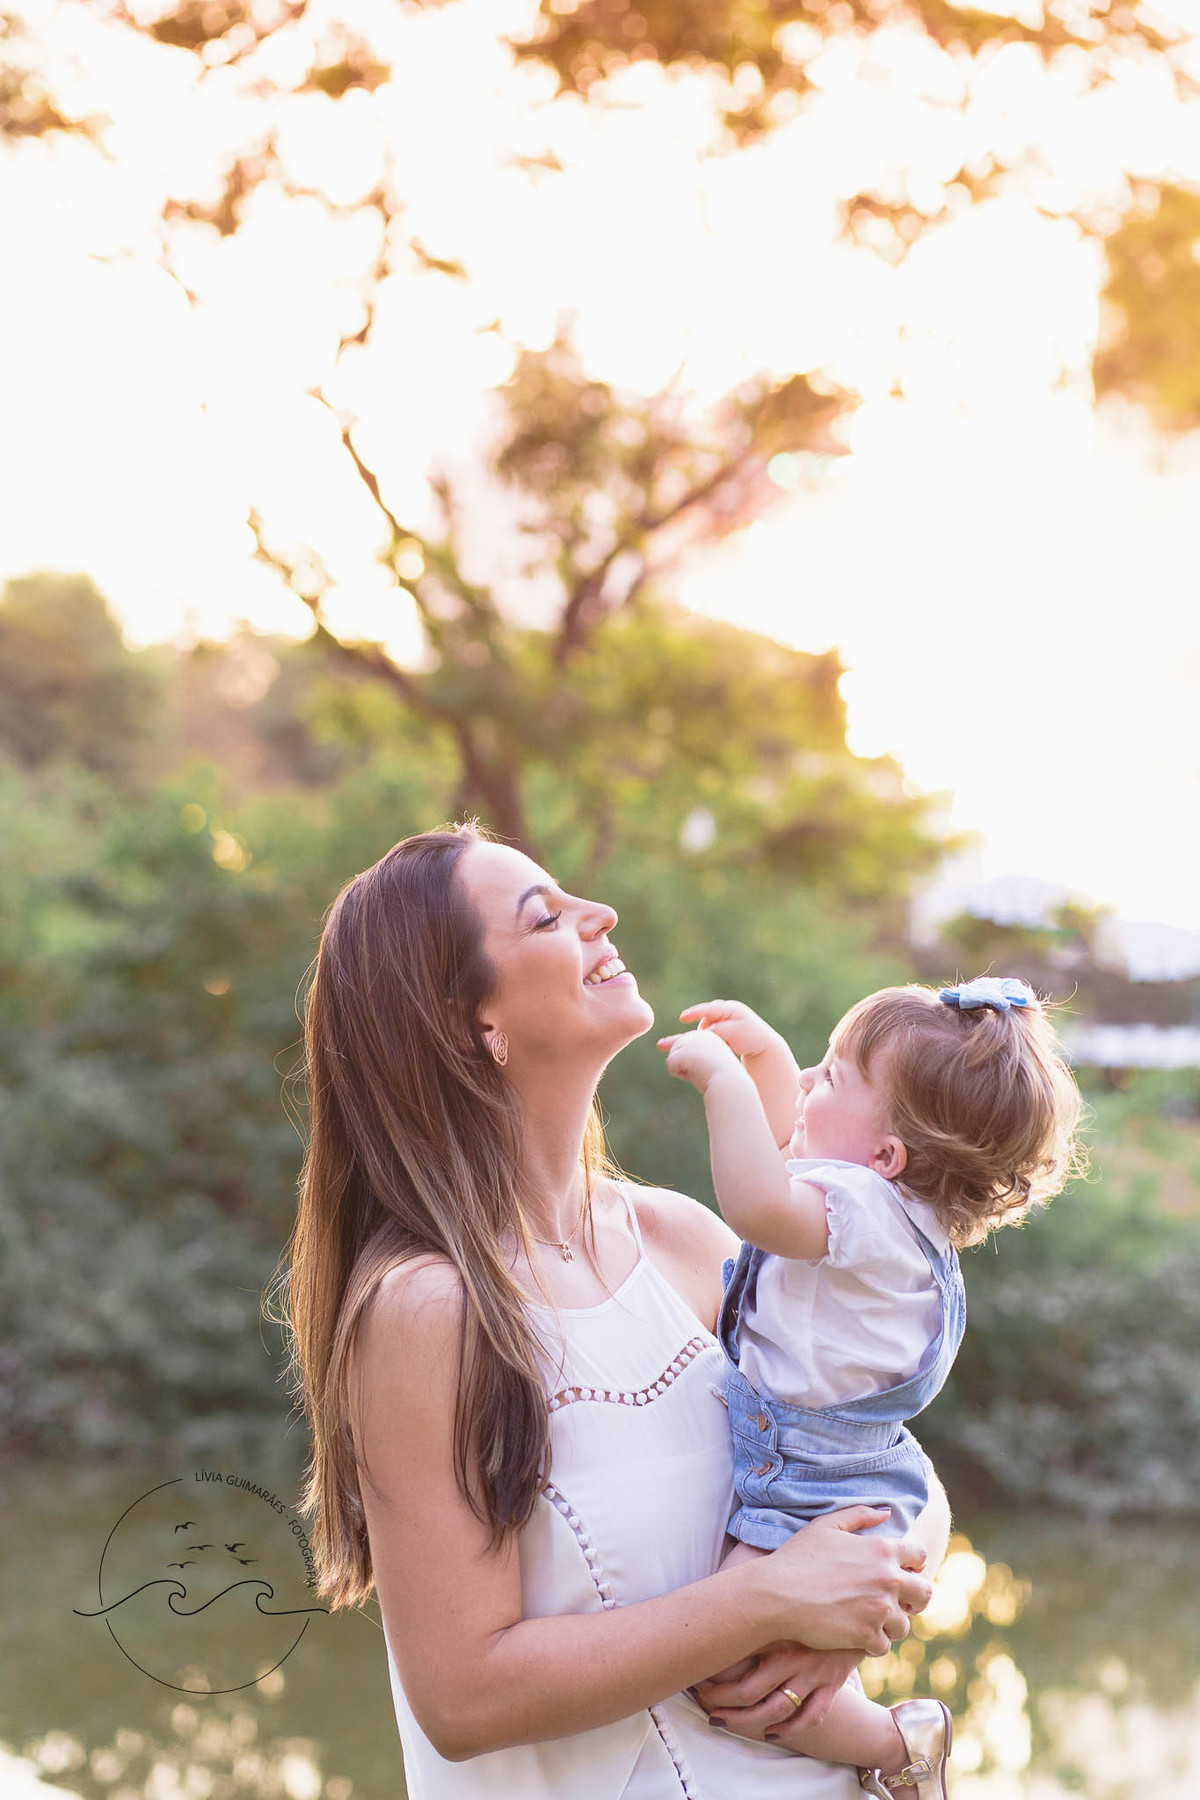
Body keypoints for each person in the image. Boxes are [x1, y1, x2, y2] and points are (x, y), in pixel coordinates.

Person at [276, 822, 945, 1800]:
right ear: (471, 1020)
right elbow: (461, 1699)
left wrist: (851, 1617)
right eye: (546, 916)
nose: (603, 916)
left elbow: (893, 1461)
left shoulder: (684, 1239)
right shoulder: (430, 1308)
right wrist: (766, 1598)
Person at [658, 977, 1084, 1796]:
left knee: (735, 1665)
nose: (808, 1091)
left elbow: (754, 1198)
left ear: (886, 1157)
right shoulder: (892, 1218)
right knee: (745, 1654)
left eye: (831, 1076)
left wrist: (721, 1081)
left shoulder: (861, 1213)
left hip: (808, 1484)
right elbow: (795, 1145)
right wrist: (774, 1060)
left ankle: (897, 1751)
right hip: (844, 1467)